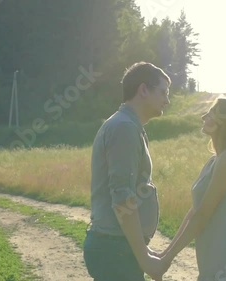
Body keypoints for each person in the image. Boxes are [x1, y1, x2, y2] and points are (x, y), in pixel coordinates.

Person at [83, 61, 171, 281]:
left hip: (118, 248)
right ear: (143, 90)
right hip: (115, 250)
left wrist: (143, 252)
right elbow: (122, 198)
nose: (167, 100)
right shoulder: (124, 128)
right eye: (163, 92)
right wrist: (144, 258)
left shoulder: (130, 126)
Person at [158, 96, 226, 281]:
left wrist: (166, 260)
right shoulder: (216, 160)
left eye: (211, 113)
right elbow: (195, 211)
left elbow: (203, 215)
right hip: (213, 254)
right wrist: (165, 255)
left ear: (225, 123)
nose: (204, 117)